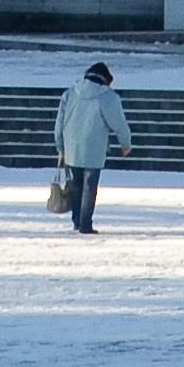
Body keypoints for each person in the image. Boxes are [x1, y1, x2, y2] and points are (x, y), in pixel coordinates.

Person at [54, 59, 130, 235]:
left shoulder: (70, 93)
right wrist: (125, 144)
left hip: (72, 148)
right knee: (89, 187)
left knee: (75, 186)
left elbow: (59, 122)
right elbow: (119, 123)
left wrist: (60, 145)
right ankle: (85, 223)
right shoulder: (108, 97)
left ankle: (77, 221)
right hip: (94, 150)